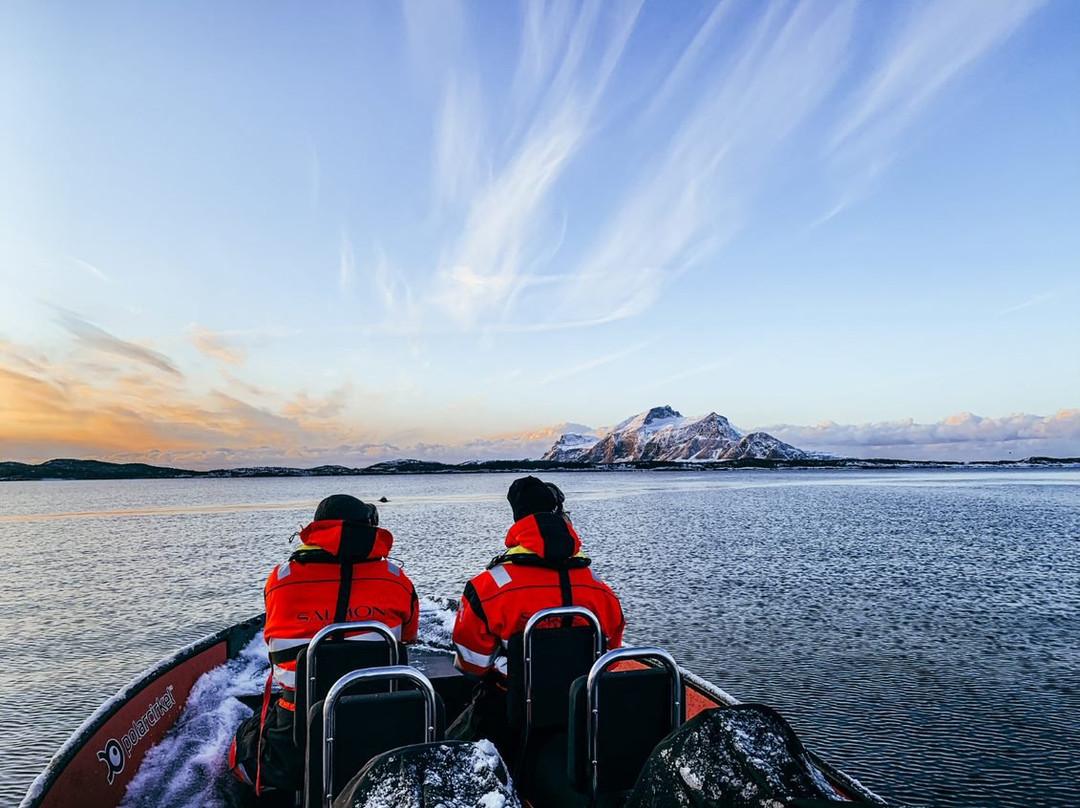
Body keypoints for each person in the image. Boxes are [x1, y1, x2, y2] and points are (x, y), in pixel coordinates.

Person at [229, 494, 419, 795]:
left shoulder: (280, 580)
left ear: (315, 530)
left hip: (296, 723)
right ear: (370, 529)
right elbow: (408, 636)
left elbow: (272, 637)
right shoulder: (398, 580)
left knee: (245, 737)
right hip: (378, 716)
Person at [449, 475, 625, 758]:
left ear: (517, 521)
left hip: (509, 714)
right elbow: (612, 656)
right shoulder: (598, 587)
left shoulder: (488, 586)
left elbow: (472, 665)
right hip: (581, 709)